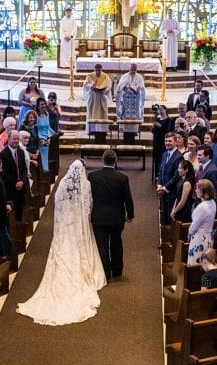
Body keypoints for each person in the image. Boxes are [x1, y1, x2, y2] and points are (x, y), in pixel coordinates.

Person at [16, 159, 109, 325]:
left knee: (62, 250)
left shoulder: (63, 184)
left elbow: (57, 204)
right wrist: (84, 221)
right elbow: (89, 206)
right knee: (81, 248)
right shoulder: (86, 185)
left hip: (66, 224)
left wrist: (61, 223)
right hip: (79, 223)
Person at [87, 150, 135, 282]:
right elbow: (128, 199)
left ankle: (104, 273)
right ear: (115, 160)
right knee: (116, 243)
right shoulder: (122, 177)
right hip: (116, 217)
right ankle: (117, 271)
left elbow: (88, 197)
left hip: (98, 216)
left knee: (102, 246)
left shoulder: (92, 176)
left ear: (102, 160)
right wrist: (130, 214)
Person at [0, 130, 29, 222]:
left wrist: (22, 181)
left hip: (21, 187)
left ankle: (20, 229)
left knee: (21, 210)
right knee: (12, 216)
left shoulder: (20, 152)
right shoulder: (2, 154)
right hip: (10, 188)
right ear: (9, 139)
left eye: (17, 139)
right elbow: (3, 173)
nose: (16, 141)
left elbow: (24, 169)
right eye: (14, 139)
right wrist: (15, 183)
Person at [187, 179, 217, 266]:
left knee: (196, 264)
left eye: (197, 189)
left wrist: (189, 232)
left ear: (204, 192)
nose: (196, 190)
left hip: (200, 239)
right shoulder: (212, 202)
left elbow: (194, 226)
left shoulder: (202, 207)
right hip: (208, 236)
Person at [83, 63, 112, 138]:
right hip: (93, 96)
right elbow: (85, 85)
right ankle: (91, 130)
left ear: (101, 69)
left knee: (102, 113)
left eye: (99, 70)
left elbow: (109, 87)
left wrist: (104, 90)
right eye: (96, 70)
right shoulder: (90, 75)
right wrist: (91, 87)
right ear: (94, 70)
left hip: (101, 97)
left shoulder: (105, 76)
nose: (98, 72)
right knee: (91, 112)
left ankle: (103, 130)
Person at [169, 159, 196, 224]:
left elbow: (183, 201)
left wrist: (174, 211)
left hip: (184, 211)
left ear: (186, 170)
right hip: (178, 208)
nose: (178, 170)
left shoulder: (187, 183)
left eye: (180, 168)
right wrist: (173, 208)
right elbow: (178, 197)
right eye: (178, 168)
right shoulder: (181, 179)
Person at [34, 99, 55, 173]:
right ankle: (42, 173)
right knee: (40, 157)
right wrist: (41, 139)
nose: (43, 106)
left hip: (46, 138)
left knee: (45, 156)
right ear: (38, 106)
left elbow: (48, 127)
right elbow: (35, 128)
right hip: (39, 139)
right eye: (41, 104)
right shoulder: (36, 115)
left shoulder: (47, 114)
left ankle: (45, 172)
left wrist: (49, 138)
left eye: (44, 104)